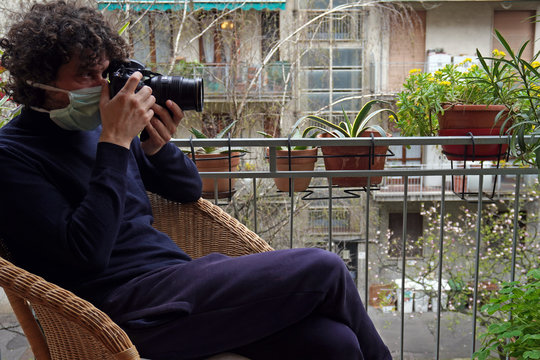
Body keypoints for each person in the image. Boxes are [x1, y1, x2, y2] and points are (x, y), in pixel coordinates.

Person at [0, 1, 392, 359]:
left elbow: (188, 188)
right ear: (38, 81)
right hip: (124, 314)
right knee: (324, 267)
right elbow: (87, 252)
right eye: (87, 75)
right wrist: (115, 142)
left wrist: (156, 146)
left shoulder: (101, 130)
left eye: (106, 71)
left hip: (176, 281)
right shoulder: (13, 155)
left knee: (335, 344)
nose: (106, 87)